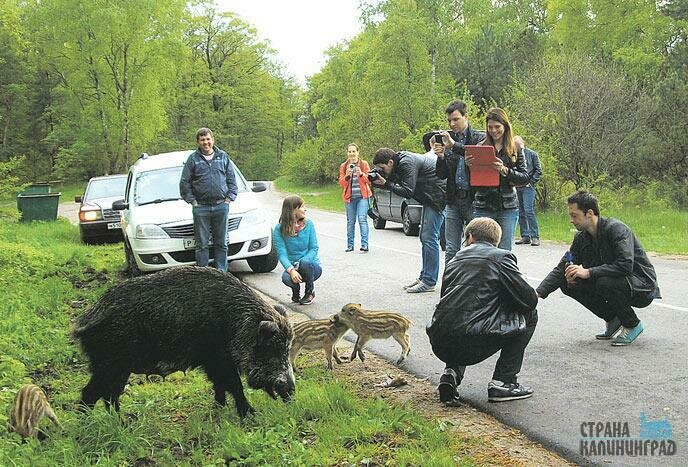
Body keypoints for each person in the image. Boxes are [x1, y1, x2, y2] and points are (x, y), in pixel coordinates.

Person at [426, 217, 538, 405]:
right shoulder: (502, 257)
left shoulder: (454, 259)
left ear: (470, 237)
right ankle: (504, 381)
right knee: (530, 314)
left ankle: (451, 373)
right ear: (496, 240)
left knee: (458, 314)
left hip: (440, 340)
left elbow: (446, 299)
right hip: (476, 340)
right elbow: (529, 299)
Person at [536, 190, 661, 346]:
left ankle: (632, 324)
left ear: (589, 213)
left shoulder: (617, 229)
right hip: (612, 282)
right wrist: (537, 293)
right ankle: (613, 319)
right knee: (568, 282)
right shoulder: (581, 238)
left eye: (574, 215)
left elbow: (625, 265)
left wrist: (589, 272)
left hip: (641, 286)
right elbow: (562, 268)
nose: (571, 220)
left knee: (604, 282)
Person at [371, 148, 446, 293]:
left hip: (437, 196)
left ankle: (429, 281)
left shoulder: (406, 163)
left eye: (382, 168)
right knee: (425, 237)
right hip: (429, 197)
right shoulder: (398, 164)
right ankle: (424, 277)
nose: (381, 171)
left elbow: (407, 191)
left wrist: (386, 183)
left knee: (429, 238)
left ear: (390, 162)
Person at [466, 108, 529, 251]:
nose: (493, 131)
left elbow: (524, 177)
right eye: (490, 127)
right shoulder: (480, 147)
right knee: (480, 248)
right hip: (483, 204)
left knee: (504, 249)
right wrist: (470, 166)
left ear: (505, 126)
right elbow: (472, 181)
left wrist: (505, 170)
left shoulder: (515, 148)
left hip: (507, 205)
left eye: (497, 127)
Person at [430, 100, 485, 262]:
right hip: (453, 199)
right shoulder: (448, 140)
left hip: (473, 199)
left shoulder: (479, 138)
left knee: (476, 246)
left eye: (456, 119)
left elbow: (479, 163)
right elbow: (441, 174)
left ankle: (472, 277)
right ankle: (450, 278)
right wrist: (441, 157)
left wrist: (453, 146)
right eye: (449, 121)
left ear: (466, 117)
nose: (452, 124)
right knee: (451, 248)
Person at [179, 127, 238, 272]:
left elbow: (231, 179)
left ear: (213, 140)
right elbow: (184, 183)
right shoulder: (193, 159)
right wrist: (193, 202)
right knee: (202, 245)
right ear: (198, 142)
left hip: (221, 206)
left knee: (222, 243)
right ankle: (203, 275)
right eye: (202, 140)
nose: (206, 142)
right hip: (201, 208)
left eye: (208, 139)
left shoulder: (223, 157)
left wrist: (229, 199)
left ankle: (221, 274)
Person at [273, 195, 321, 305]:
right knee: (286, 278)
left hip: (311, 266)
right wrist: (291, 270)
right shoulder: (279, 229)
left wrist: (301, 262)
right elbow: (282, 254)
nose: (305, 209)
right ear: (293, 209)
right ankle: (296, 292)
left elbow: (314, 248)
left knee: (305, 262)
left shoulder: (309, 224)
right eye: (302, 206)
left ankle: (310, 292)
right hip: (294, 267)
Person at [338, 143, 372, 252]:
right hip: (350, 198)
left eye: (354, 151)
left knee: (362, 219)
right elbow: (341, 183)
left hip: (363, 197)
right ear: (347, 153)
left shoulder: (364, 164)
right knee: (350, 221)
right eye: (350, 151)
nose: (352, 154)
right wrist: (347, 176)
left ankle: (364, 245)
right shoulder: (344, 166)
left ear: (358, 152)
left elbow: (369, 180)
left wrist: (361, 174)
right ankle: (350, 245)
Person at [514, 136, 543, 246]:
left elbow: (538, 170)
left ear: (523, 143)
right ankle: (525, 236)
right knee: (520, 211)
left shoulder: (532, 154)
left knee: (528, 210)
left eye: (518, 144)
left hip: (528, 187)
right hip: (517, 187)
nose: (517, 147)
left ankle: (535, 236)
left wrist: (531, 182)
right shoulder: (512, 154)